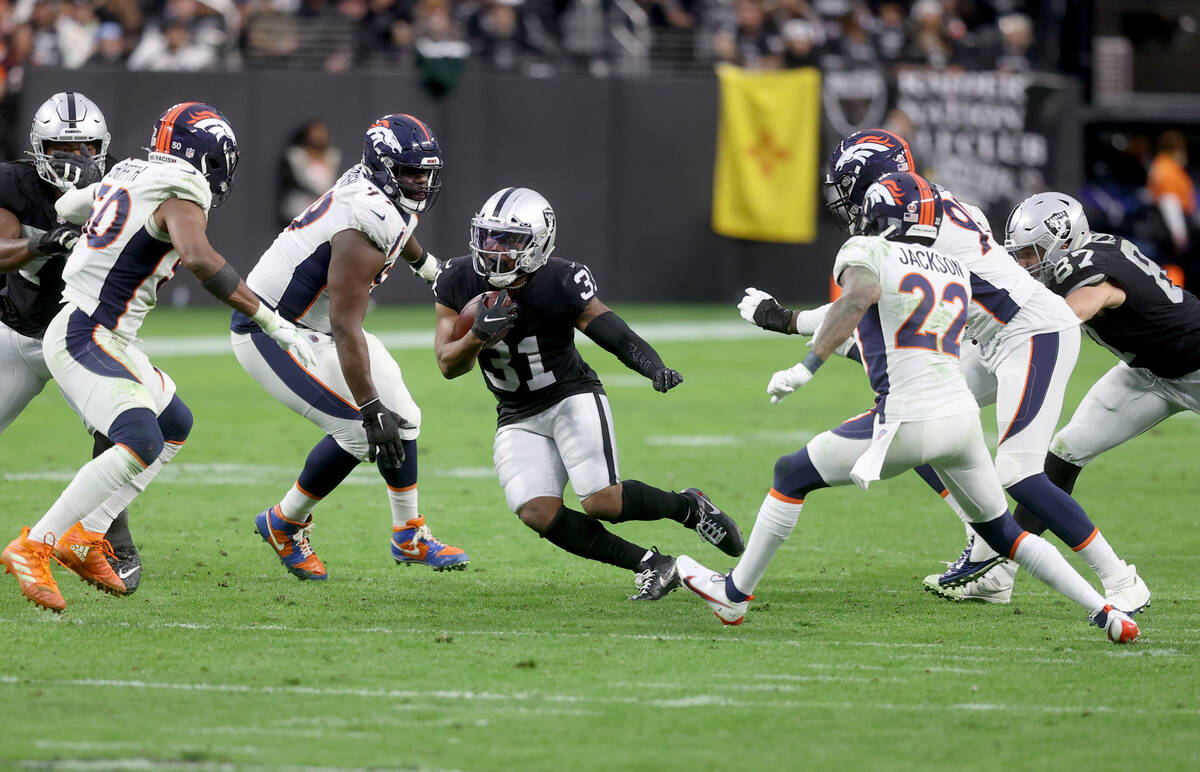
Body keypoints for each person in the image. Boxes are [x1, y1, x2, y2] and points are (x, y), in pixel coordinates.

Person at [678, 172, 1140, 645]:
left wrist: (805, 365)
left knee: (789, 474)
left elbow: (856, 304)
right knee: (1005, 532)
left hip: (906, 418)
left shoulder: (868, 253)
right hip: (959, 421)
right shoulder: (954, 267)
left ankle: (733, 594)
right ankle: (1106, 612)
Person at [1, 101, 313, 613]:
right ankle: (35, 543)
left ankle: (89, 532)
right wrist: (272, 320)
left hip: (103, 331)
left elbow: (66, 207)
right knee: (140, 436)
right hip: (87, 331)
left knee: (173, 422)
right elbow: (199, 259)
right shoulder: (181, 187)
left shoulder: (131, 170)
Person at [432, 186, 744, 600]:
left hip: (569, 396)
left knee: (602, 501)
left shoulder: (560, 279)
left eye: (509, 240)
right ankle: (652, 565)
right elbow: (448, 364)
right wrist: (477, 335)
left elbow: (610, 329)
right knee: (536, 511)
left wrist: (651, 365)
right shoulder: (457, 279)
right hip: (515, 411)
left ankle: (688, 507)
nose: (495, 249)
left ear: (538, 243)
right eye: (489, 236)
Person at [233, 113, 465, 582]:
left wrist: (430, 269)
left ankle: (409, 534)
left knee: (407, 418)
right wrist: (369, 404)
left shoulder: (377, 193)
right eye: (410, 172)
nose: (421, 182)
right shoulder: (363, 223)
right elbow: (346, 327)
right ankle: (284, 522)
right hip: (273, 330)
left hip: (316, 326)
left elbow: (400, 231)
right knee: (363, 429)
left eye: (426, 171)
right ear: (383, 168)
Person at [0, 91, 145, 592]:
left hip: (81, 336)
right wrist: (44, 240)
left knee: (127, 425)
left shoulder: (119, 186)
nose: (76, 160)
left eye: (85, 148)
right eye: (64, 149)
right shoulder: (14, 185)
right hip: (17, 332)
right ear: (39, 148)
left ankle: (107, 535)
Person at [1004, 192, 1200, 545]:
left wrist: (1003, 329)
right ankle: (999, 568)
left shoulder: (1084, 268)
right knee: (1067, 449)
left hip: (1195, 363)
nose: (1023, 264)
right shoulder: (1092, 249)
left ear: (1061, 241)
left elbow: (1069, 315)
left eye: (1029, 253)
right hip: (1146, 372)